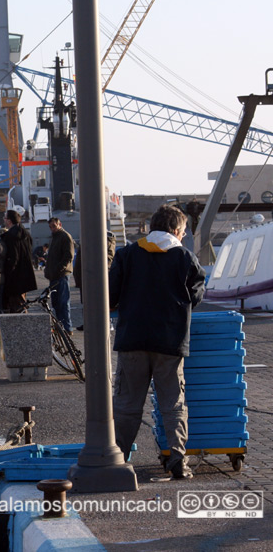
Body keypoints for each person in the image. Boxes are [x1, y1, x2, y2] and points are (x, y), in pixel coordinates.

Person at [109, 204, 205, 480]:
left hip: (132, 340)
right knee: (172, 404)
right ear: (176, 230)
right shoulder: (185, 257)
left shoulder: (127, 254)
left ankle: (119, 456)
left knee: (127, 404)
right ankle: (177, 460)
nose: (184, 236)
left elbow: (111, 295)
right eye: (184, 231)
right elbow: (195, 296)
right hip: (169, 342)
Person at [72, 230, 116, 330]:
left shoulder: (105, 239)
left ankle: (105, 323)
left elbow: (107, 259)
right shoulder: (89, 239)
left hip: (94, 277)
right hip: (85, 276)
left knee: (100, 302)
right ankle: (88, 322)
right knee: (87, 303)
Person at [1, 210, 37, 313]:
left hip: (14, 277)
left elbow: (13, 258)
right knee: (21, 302)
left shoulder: (11, 237)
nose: (3, 220)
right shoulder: (25, 234)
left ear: (9, 221)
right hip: (25, 274)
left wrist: (8, 273)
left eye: (5, 218)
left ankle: (22, 327)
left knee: (17, 306)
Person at [44, 218, 75, 333]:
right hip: (55, 275)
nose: (52, 228)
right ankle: (62, 327)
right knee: (57, 302)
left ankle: (67, 327)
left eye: (54, 226)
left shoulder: (64, 237)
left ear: (59, 224)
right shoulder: (56, 237)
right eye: (51, 227)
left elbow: (69, 256)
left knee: (62, 302)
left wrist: (58, 269)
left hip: (61, 275)